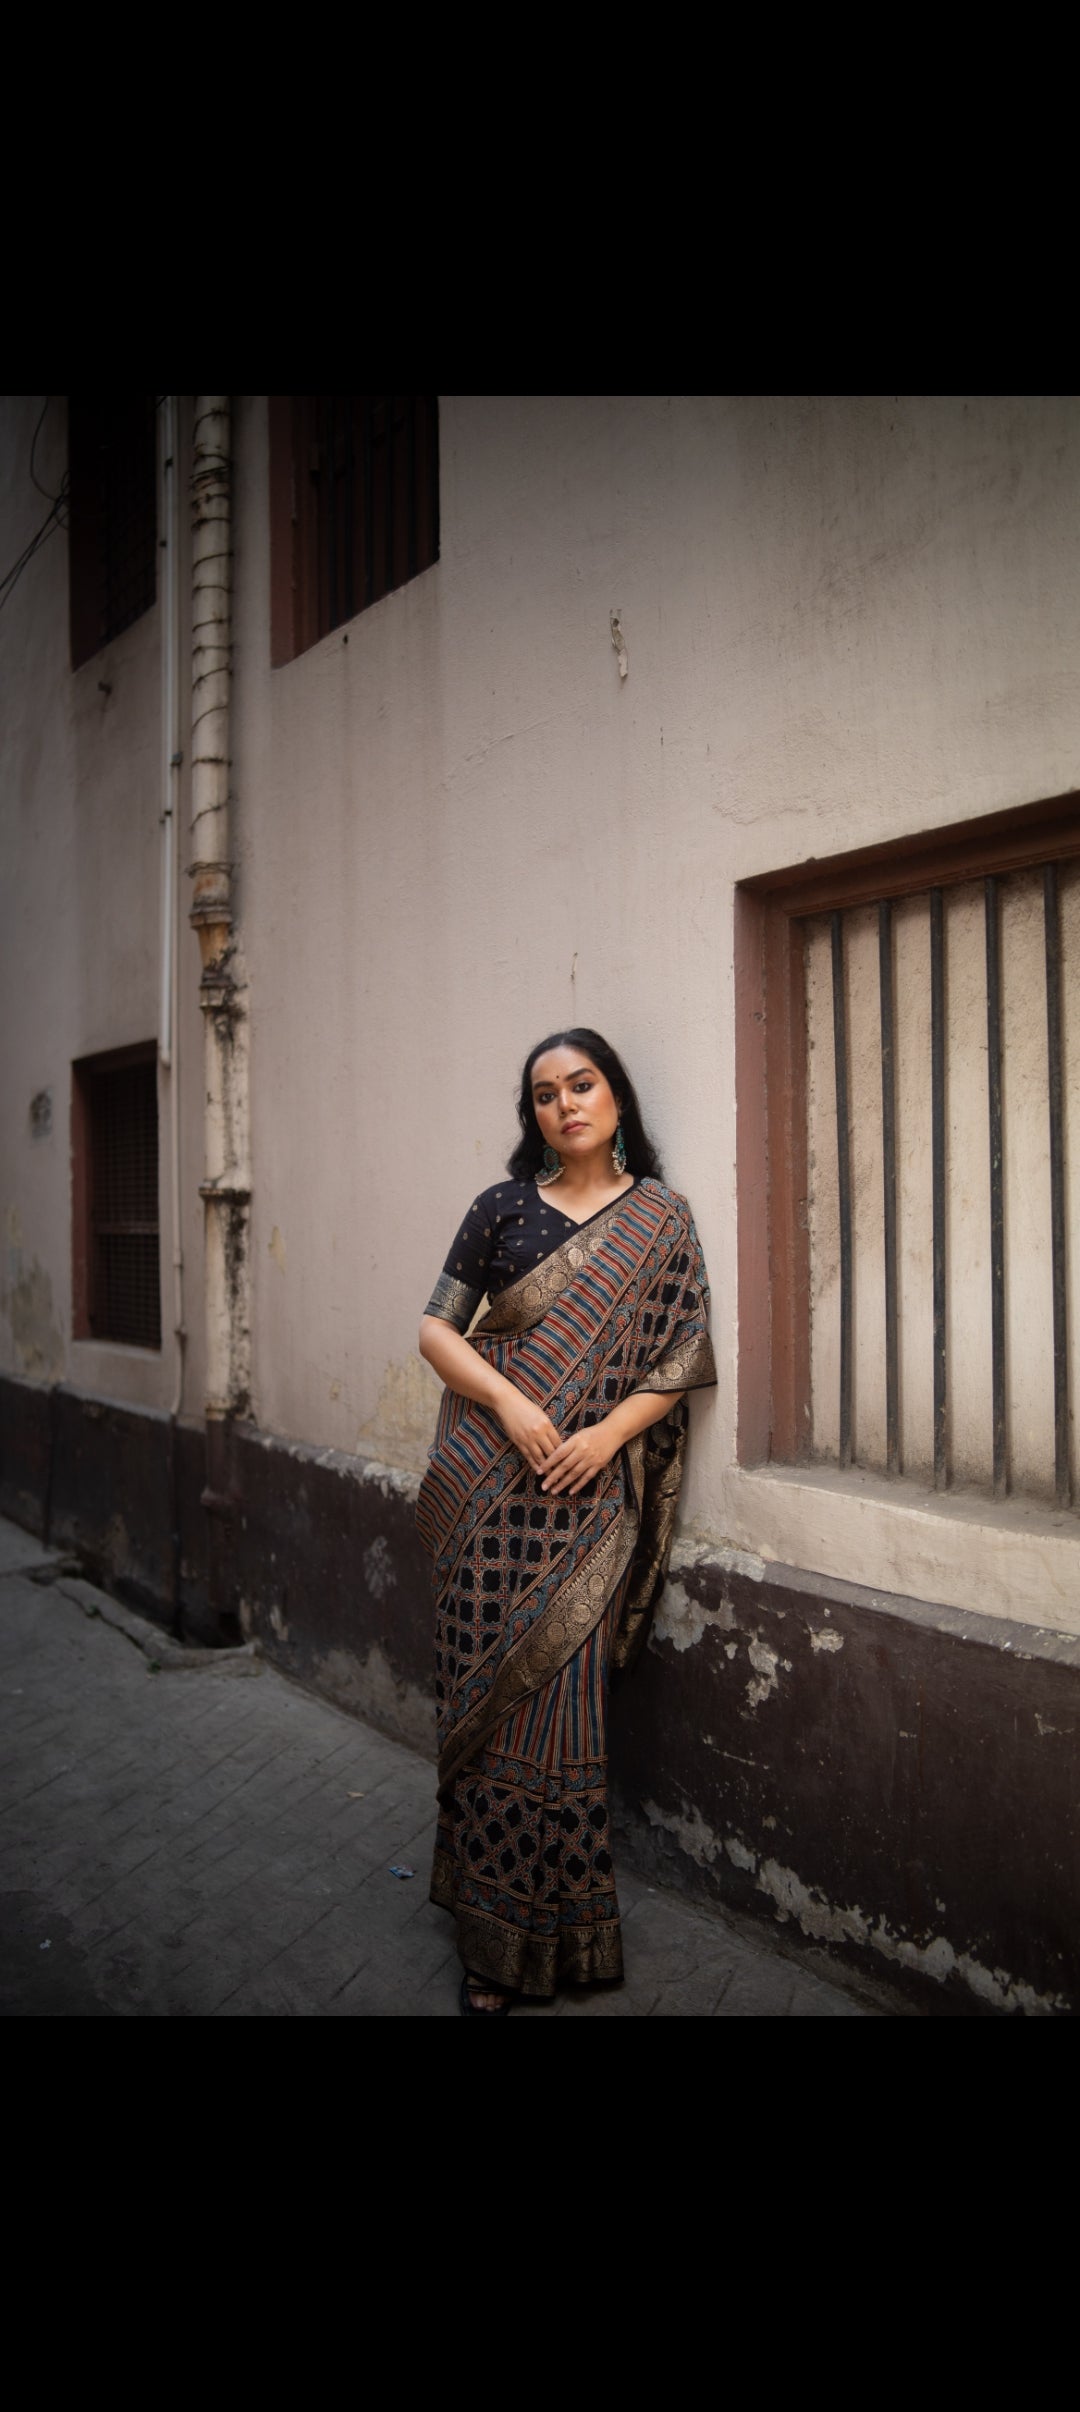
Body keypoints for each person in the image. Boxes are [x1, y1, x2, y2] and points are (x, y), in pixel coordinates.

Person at [416, 1029, 716, 2015]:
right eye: (544, 1094)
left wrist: (604, 1437)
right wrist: (510, 1404)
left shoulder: (662, 1221)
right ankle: (489, 1940)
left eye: (581, 1085)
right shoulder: (499, 1209)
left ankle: (557, 1931)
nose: (565, 1104)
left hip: (588, 1500)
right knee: (485, 1711)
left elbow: (679, 1360)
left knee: (561, 1714)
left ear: (616, 1097)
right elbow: (434, 1328)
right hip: (484, 1493)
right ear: (532, 1115)